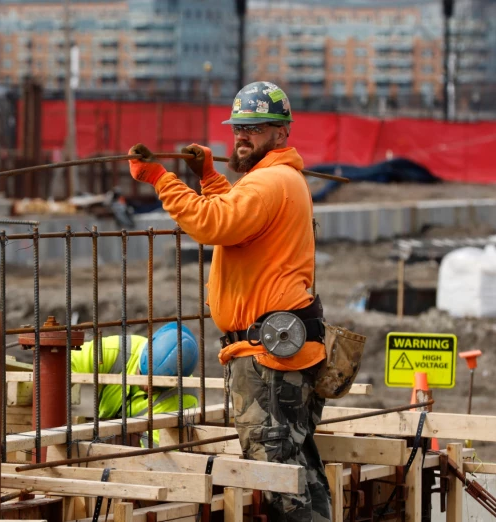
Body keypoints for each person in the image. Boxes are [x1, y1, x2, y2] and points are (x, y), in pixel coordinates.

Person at [125, 81, 330, 521]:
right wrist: (210, 179)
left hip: (268, 360)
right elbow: (240, 221)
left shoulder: (270, 181)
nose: (242, 135)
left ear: (281, 134)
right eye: (239, 126)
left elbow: (214, 224)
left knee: (278, 475)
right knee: (299, 468)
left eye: (255, 128)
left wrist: (162, 178)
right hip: (277, 350)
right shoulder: (274, 180)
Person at [70, 322, 200, 447]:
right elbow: (64, 363)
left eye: (157, 386)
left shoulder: (183, 401)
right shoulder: (117, 351)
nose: (147, 387)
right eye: (142, 375)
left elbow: (158, 458)